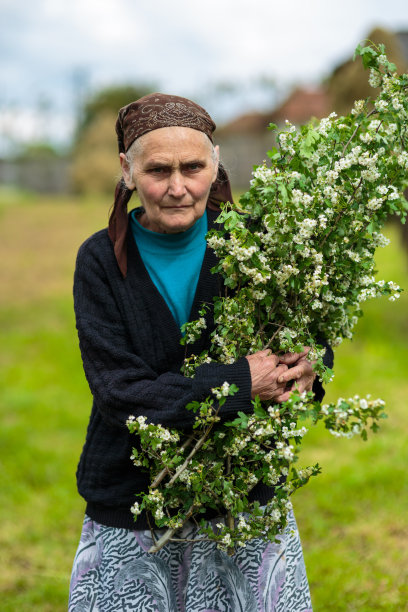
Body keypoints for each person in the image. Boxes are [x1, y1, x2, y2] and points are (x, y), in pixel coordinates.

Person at [69, 93, 333, 611]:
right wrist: (238, 383)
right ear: (126, 171)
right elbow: (121, 392)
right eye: (157, 170)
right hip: (134, 496)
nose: (176, 187)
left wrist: (311, 361)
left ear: (215, 164)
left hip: (241, 491)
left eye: (192, 167)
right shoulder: (99, 260)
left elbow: (306, 337)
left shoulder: (258, 247)